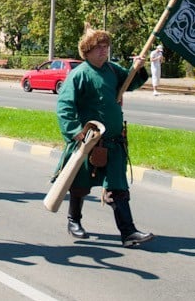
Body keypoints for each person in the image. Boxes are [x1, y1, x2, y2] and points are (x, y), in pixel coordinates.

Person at [54, 29, 154, 247]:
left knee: (118, 187)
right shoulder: (79, 74)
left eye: (106, 46)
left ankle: (128, 233)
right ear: (87, 51)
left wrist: (137, 69)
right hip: (88, 140)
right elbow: (64, 106)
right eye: (99, 47)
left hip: (114, 142)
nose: (104, 50)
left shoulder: (112, 70)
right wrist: (74, 132)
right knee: (80, 184)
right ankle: (74, 221)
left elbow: (131, 83)